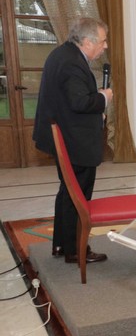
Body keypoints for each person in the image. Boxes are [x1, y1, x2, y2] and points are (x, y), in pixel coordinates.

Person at [32, 17, 112, 264]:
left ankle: (61, 244)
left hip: (67, 138)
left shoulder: (63, 54)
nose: (105, 46)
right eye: (103, 41)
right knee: (78, 195)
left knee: (67, 192)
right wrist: (103, 97)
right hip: (75, 141)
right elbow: (80, 102)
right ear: (87, 42)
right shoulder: (71, 64)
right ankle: (75, 249)